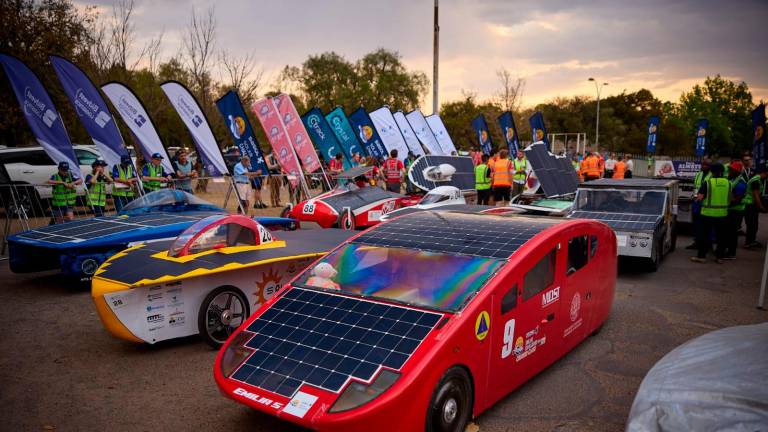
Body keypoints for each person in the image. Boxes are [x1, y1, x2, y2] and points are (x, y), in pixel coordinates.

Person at [691, 163, 730, 264]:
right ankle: (719, 257)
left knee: (704, 236)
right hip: (722, 214)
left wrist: (695, 198)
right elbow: (731, 198)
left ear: (712, 172)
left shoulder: (708, 183)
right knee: (721, 237)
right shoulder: (728, 183)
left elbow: (699, 197)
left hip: (707, 214)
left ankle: (701, 256)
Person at [686, 158, 712, 250]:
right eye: (703, 164)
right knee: (696, 224)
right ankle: (696, 242)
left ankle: (707, 244)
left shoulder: (712, 175)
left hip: (706, 203)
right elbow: (695, 187)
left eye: (706, 165)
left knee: (706, 225)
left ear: (710, 166)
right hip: (696, 202)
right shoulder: (698, 174)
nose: (703, 166)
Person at [723, 161, 747, 259]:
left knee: (732, 233)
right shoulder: (733, 179)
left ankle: (731, 253)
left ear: (736, 171)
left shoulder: (740, 183)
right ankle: (727, 249)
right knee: (728, 232)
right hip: (731, 210)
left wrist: (724, 202)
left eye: (731, 170)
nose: (728, 171)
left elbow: (737, 199)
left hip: (736, 211)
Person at [744, 166, 767, 249]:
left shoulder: (757, 179)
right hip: (750, 205)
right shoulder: (756, 181)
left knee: (753, 225)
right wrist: (761, 207)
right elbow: (756, 196)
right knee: (752, 225)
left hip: (751, 205)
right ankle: (748, 243)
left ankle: (751, 241)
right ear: (765, 173)